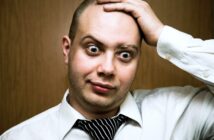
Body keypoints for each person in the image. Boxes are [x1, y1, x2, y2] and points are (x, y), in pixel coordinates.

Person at [1, 0, 214, 139]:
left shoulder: (182, 114)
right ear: (67, 50)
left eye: (124, 54)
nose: (108, 68)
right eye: (93, 49)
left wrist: (163, 36)